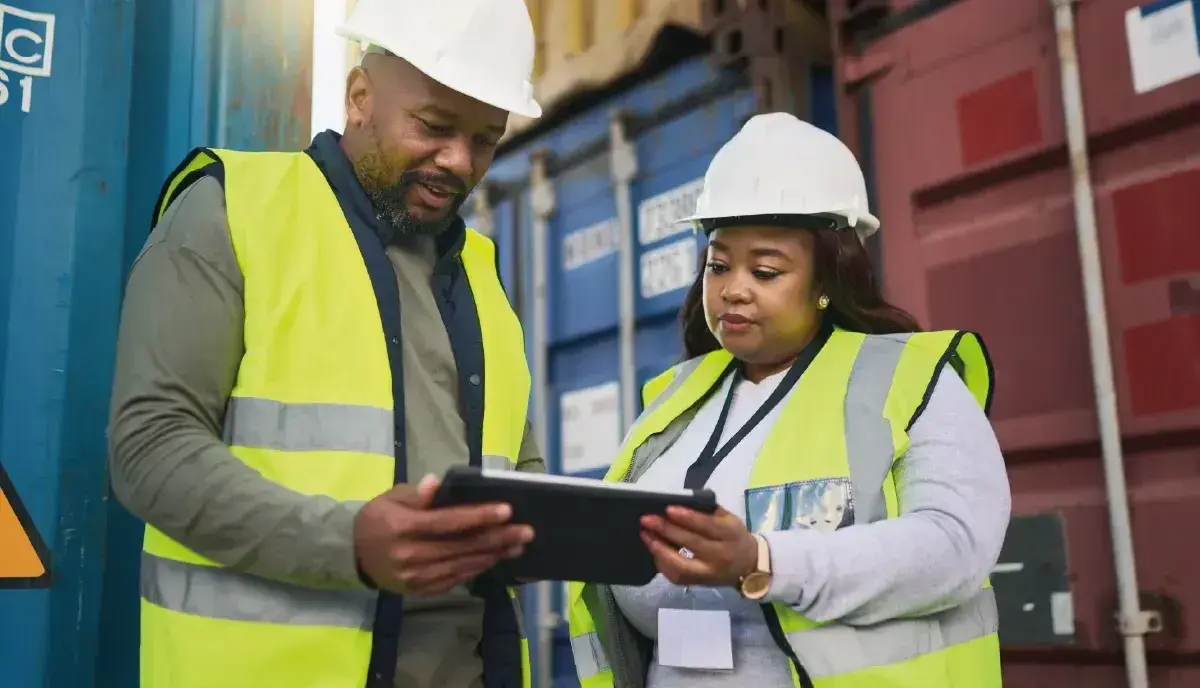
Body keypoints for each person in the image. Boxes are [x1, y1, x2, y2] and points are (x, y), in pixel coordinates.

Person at [107, 1, 545, 687]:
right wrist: (350, 544)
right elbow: (149, 447)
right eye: (434, 127)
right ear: (360, 96)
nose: (458, 160)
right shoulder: (230, 212)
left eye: (486, 139)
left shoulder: (483, 274)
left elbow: (519, 472)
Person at [566, 112, 1010, 688]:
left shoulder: (911, 379)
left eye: (766, 270)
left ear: (829, 280)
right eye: (718, 265)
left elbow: (954, 549)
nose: (733, 289)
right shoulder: (675, 401)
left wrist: (761, 559)